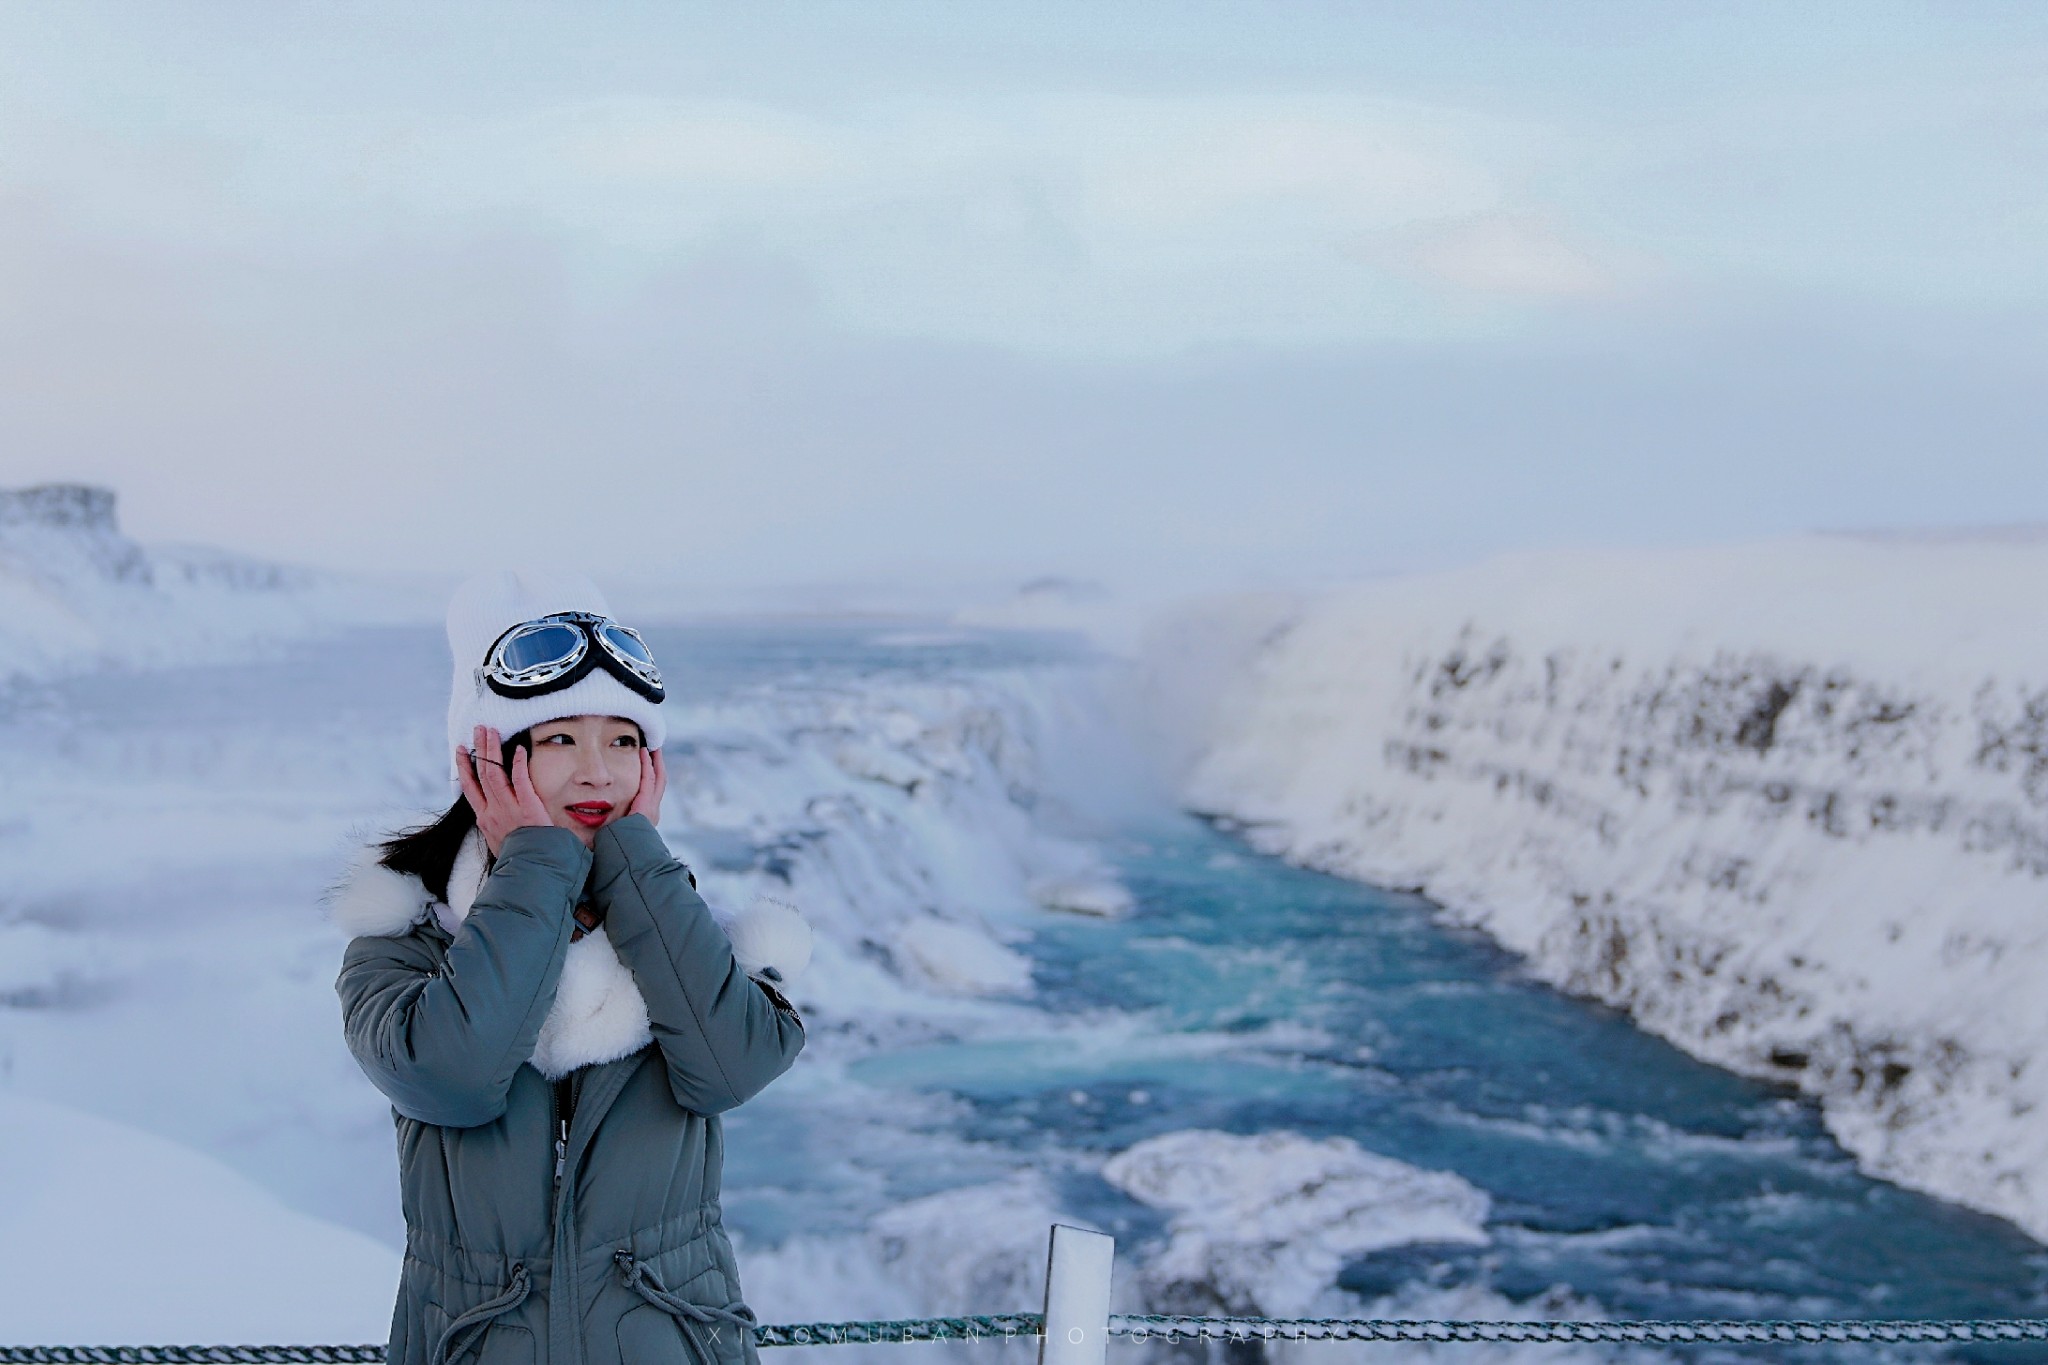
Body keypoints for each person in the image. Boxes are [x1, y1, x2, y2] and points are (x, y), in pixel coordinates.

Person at [331, 570, 807, 1365]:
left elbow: (734, 1064)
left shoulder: (682, 928)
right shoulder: (406, 940)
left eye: (622, 740)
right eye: (559, 738)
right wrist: (540, 865)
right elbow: (456, 1071)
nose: (598, 772)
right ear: (482, 760)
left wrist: (638, 873)